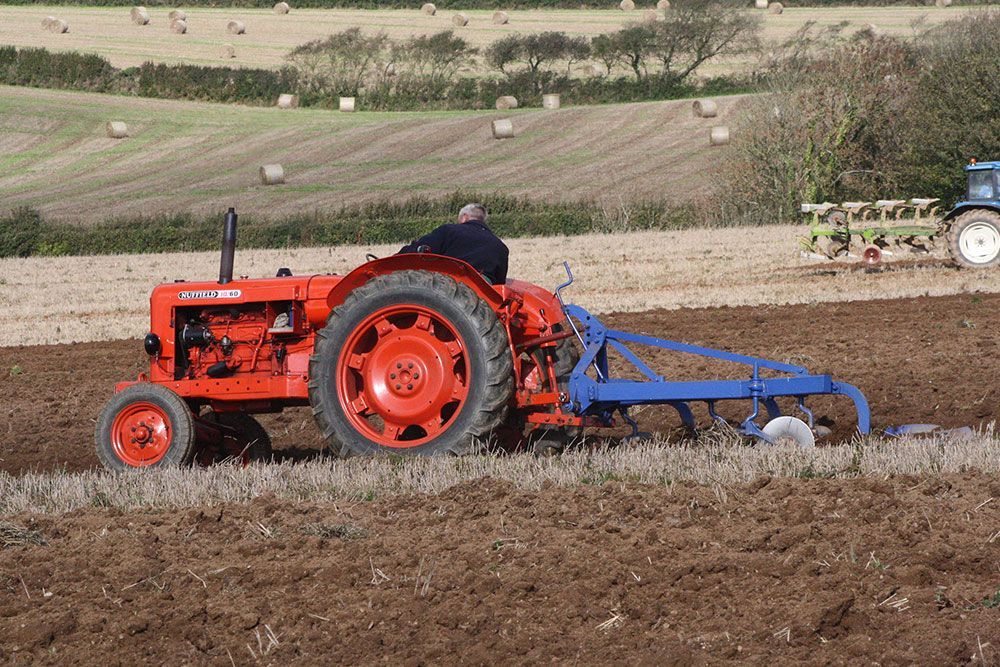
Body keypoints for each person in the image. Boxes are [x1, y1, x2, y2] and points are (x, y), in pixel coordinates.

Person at [397, 203, 509, 285]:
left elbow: (417, 251)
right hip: (481, 299)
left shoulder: (450, 231)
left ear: (464, 217)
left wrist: (395, 259)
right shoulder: (501, 247)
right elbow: (500, 284)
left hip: (448, 287)